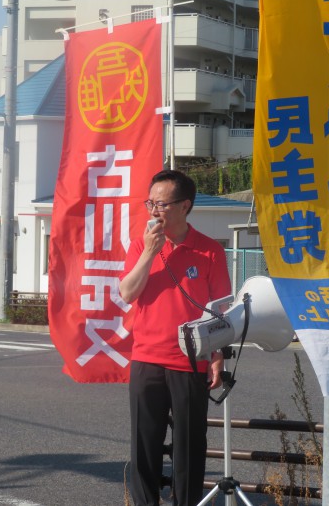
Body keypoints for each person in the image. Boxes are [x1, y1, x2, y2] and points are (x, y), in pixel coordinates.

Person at [119, 169, 231, 506]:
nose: (154, 210)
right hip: (146, 359)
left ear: (185, 206)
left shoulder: (210, 251)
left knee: (189, 446)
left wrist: (218, 355)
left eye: (162, 204)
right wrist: (149, 253)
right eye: (150, 203)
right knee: (144, 444)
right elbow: (126, 293)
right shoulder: (141, 245)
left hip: (189, 362)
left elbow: (220, 312)